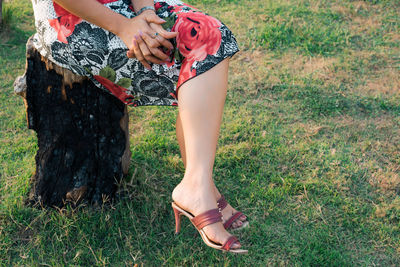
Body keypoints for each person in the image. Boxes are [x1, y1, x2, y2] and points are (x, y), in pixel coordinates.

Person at [31, 0, 248, 253]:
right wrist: (124, 27)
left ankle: (199, 186)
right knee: (199, 60)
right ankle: (200, 190)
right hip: (72, 17)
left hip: (127, 6)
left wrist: (147, 13)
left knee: (210, 34)